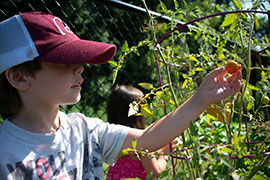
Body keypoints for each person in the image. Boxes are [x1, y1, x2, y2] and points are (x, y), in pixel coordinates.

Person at [0, 11, 242, 180]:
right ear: (20, 77)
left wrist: (201, 99)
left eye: (79, 59)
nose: (81, 67)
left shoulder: (85, 130)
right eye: (64, 60)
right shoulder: (5, 151)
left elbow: (148, 139)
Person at [106, 85, 176, 179]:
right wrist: (166, 152)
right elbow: (155, 172)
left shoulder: (110, 136)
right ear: (138, 115)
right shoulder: (140, 141)